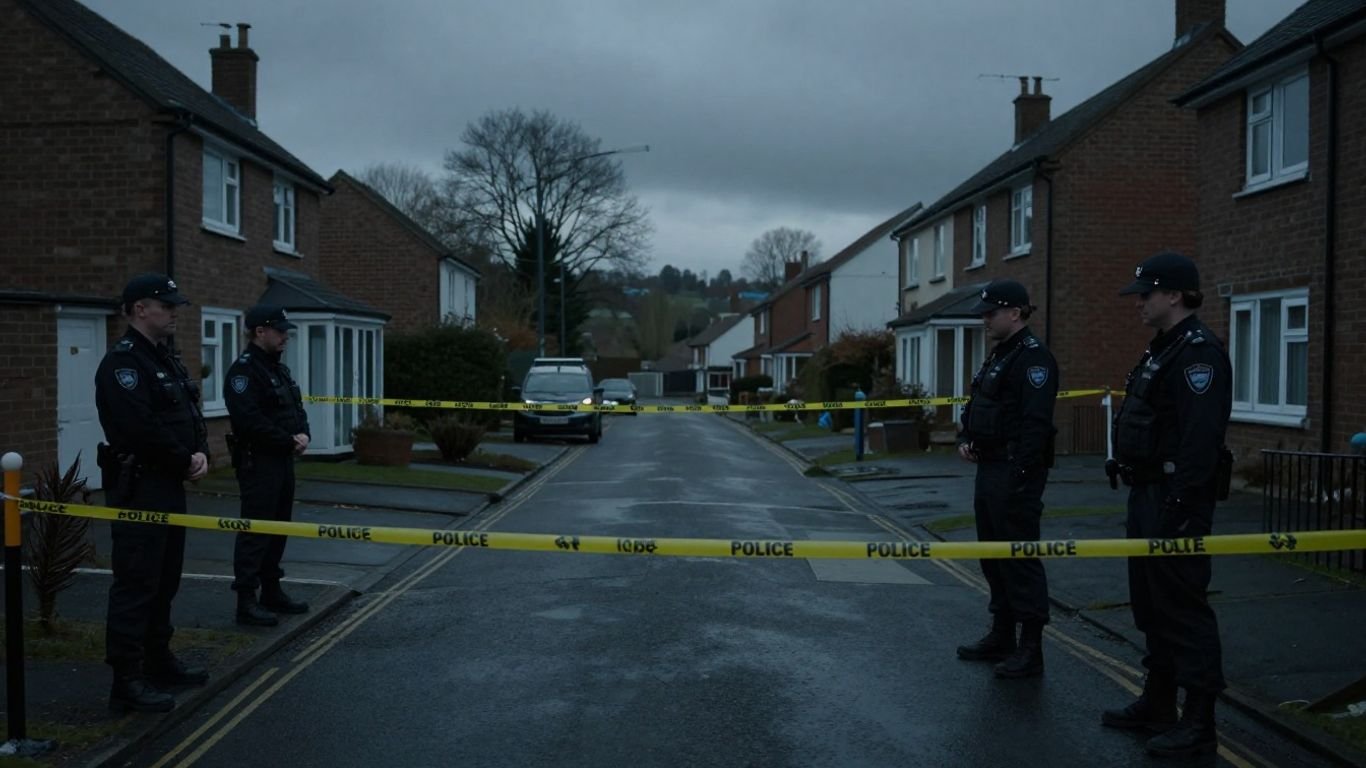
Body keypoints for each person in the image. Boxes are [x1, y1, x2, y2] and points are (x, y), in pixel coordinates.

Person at [1103, 251, 1233, 758]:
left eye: (1146, 294)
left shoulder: (1199, 354)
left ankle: (1199, 721)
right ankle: (1158, 702)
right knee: (1150, 605)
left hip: (1175, 498)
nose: (1138, 303)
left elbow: (1200, 441)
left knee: (1182, 608)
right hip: (1148, 493)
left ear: (1175, 295)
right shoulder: (1165, 348)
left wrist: (1180, 505)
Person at [95, 273, 210, 713]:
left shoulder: (164, 359)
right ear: (140, 309)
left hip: (167, 484)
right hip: (140, 487)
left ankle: (158, 659)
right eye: (167, 305)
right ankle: (126, 679)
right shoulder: (123, 364)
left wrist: (200, 453)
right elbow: (140, 428)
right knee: (137, 582)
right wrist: (185, 460)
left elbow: (189, 414)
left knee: (165, 579)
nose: (175, 312)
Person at [955, 279, 1059, 679]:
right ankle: (1002, 633)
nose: (985, 319)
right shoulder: (1001, 354)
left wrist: (1021, 476)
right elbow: (979, 404)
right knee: (993, 555)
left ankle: (1030, 647)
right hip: (991, 467)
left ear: (1015, 313)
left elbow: (1035, 424)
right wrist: (966, 438)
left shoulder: (1033, 359)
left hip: (1015, 472)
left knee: (1019, 559)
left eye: (991, 312)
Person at [224, 305, 311, 626]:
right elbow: (249, 421)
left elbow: (295, 408)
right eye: (279, 330)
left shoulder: (278, 370)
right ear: (260, 331)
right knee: (256, 531)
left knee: (278, 528)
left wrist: (303, 434)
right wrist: (288, 440)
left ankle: (271, 590)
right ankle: (246, 600)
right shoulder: (244, 372)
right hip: (258, 462)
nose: (285, 336)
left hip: (282, 460)